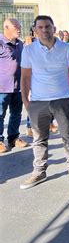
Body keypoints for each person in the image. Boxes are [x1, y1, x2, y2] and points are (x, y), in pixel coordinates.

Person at [20, 15, 69, 189]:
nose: (44, 30)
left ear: (54, 28)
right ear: (35, 30)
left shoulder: (67, 49)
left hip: (62, 99)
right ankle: (39, 171)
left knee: (68, 136)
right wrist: (25, 100)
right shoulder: (28, 50)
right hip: (38, 101)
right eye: (40, 27)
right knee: (39, 139)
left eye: (47, 26)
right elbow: (25, 77)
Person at [0, 18, 28, 153]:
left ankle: (13, 137)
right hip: (2, 88)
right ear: (6, 28)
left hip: (17, 86)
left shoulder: (20, 44)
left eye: (19, 25)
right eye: (16, 26)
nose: (19, 28)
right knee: (0, 114)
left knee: (16, 113)